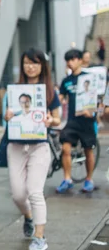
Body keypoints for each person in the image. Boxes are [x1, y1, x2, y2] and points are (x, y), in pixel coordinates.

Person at [3, 48, 61, 250]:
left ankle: (39, 237)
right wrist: (8, 116)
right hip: (17, 145)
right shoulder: (15, 89)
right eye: (27, 62)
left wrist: (49, 120)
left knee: (35, 191)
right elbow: (6, 116)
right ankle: (28, 217)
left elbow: (57, 119)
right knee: (18, 194)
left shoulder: (50, 91)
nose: (30, 66)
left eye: (35, 63)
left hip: (40, 146)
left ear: (42, 66)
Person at [56, 49, 97, 194]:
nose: (70, 63)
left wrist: (92, 110)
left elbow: (98, 99)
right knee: (66, 148)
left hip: (87, 120)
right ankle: (67, 179)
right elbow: (60, 98)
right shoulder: (66, 81)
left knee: (88, 150)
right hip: (72, 121)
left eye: (73, 59)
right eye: (68, 60)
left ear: (80, 60)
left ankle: (89, 179)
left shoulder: (90, 78)